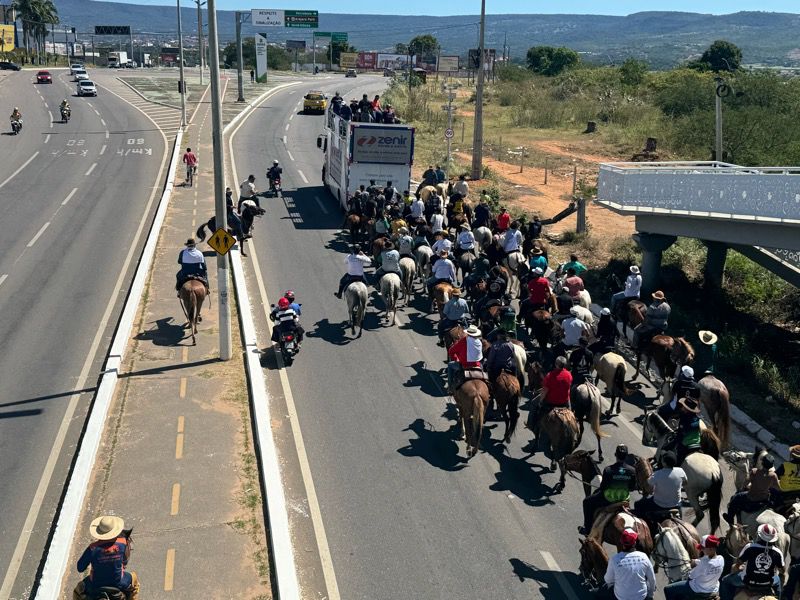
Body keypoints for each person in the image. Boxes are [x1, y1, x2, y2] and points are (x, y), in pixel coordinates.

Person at [73, 515, 139, 600]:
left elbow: (80, 568)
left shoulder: (92, 548)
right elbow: (125, 562)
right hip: (119, 582)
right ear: (115, 531)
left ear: (99, 532)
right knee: (135, 582)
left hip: (95, 584)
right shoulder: (123, 543)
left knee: (77, 592)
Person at [580, 444, 638, 535]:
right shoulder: (632, 471)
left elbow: (603, 488)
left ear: (615, 455)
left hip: (608, 500)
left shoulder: (608, 470)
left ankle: (587, 530)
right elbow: (631, 488)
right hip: (624, 500)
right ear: (626, 456)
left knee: (587, 502)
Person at [719, 523, 784, 600]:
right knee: (778, 580)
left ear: (759, 536)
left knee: (725, 581)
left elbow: (738, 563)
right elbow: (782, 571)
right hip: (767, 584)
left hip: (747, 582)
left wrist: (738, 568)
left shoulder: (750, 547)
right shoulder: (777, 552)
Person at [723, 455, 781, 525]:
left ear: (762, 463)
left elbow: (744, 484)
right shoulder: (773, 476)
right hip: (763, 500)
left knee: (735, 497)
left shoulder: (754, 471)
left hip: (751, 498)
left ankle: (730, 517)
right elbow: (778, 488)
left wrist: (747, 486)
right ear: (771, 466)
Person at [600, 528, 656, 600]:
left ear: (621, 542)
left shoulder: (614, 560)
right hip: (641, 597)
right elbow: (652, 580)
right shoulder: (644, 557)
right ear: (635, 543)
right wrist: (650, 595)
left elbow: (608, 580)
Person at [663, 534, 723, 600]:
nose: (701, 550)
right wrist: (696, 561)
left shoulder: (703, 564)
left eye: (703, 548)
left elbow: (690, 576)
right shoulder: (721, 559)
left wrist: (692, 565)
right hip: (713, 588)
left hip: (697, 589)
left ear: (711, 549)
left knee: (668, 589)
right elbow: (708, 563)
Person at [634, 450, 687, 519]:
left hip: (659, 504)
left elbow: (649, 487)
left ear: (664, 462)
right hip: (677, 504)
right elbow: (685, 483)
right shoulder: (681, 471)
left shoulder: (657, 474)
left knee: (638, 504)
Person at [447, 324, 483, 392]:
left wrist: (455, 359)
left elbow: (451, 351)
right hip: (477, 364)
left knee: (450, 365)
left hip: (465, 364)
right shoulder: (479, 342)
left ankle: (450, 387)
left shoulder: (464, 340)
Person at [674, 398, 703, 466]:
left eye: (684, 406)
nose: (682, 407)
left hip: (686, 445)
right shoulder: (697, 418)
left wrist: (675, 441)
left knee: (676, 457)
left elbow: (680, 435)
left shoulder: (684, 419)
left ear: (687, 409)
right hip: (697, 444)